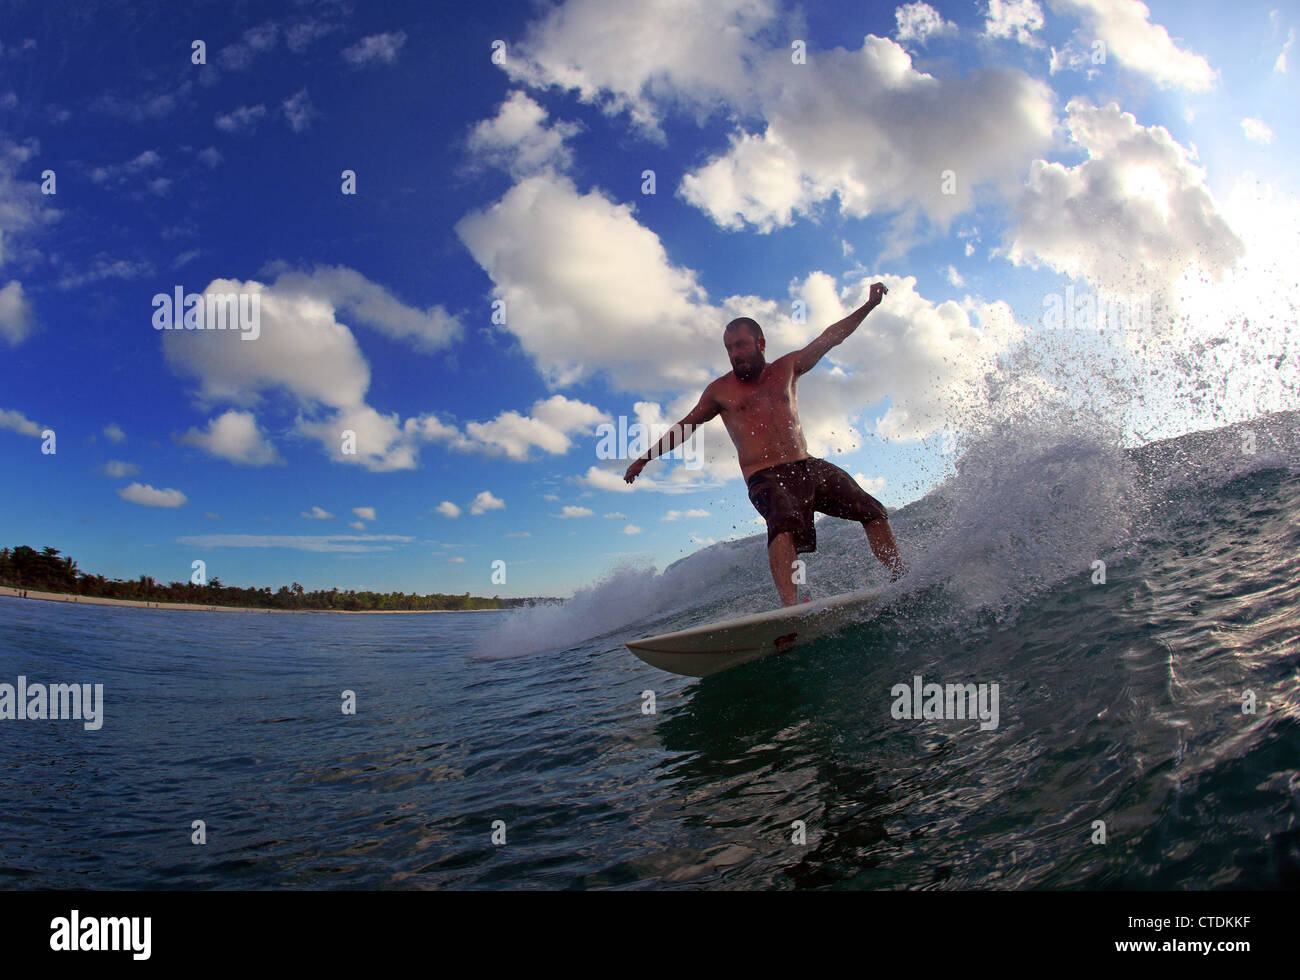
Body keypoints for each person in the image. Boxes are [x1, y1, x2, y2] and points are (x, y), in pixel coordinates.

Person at [624, 282, 905, 606]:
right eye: (729, 348)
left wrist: (868, 306)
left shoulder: (787, 368)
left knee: (873, 511)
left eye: (741, 345)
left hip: (806, 465)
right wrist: (645, 458)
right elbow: (685, 426)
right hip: (765, 476)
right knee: (783, 522)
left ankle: (901, 577)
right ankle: (790, 608)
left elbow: (831, 338)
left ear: (760, 343)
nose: (735, 354)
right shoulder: (720, 390)